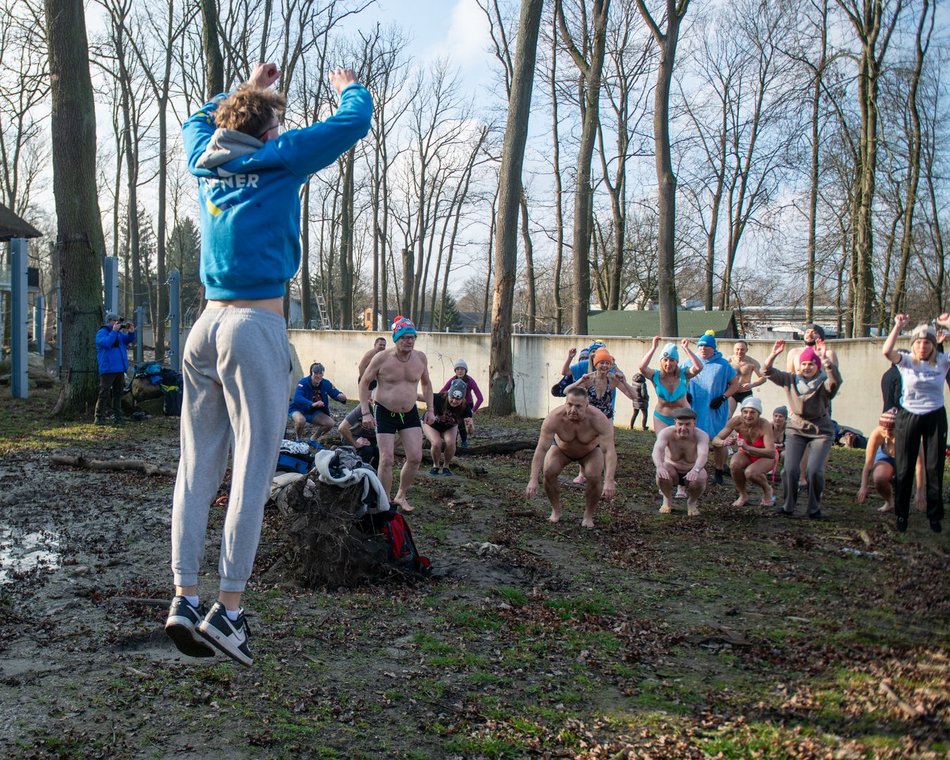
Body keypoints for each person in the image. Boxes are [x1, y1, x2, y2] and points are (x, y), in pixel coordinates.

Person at [165, 62, 372, 666]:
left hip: (204, 328)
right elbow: (353, 121)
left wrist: (247, 89)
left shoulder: (205, 158)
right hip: (254, 327)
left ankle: (184, 598)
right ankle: (228, 611)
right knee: (253, 473)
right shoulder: (280, 157)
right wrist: (348, 86)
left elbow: (196, 117)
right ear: (268, 130)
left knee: (195, 467)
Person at [358, 316, 435, 513]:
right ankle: (384, 501)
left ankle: (401, 495)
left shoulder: (420, 358)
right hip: (384, 411)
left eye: (412, 337)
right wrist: (365, 413)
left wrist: (431, 409)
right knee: (386, 459)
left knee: (415, 457)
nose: (409, 341)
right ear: (396, 338)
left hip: (409, 412)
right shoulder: (382, 358)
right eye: (404, 337)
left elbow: (426, 384)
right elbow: (364, 382)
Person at [882, 314, 950, 533]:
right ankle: (902, 514)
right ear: (913, 344)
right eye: (919, 342)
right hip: (908, 415)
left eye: (927, 343)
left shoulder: (942, 361)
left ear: (933, 345)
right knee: (904, 467)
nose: (922, 346)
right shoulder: (907, 360)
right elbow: (886, 351)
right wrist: (897, 326)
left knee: (934, 466)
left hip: (935, 416)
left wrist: (948, 324)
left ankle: (934, 515)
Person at [763, 339, 841, 519]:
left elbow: (835, 382)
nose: (807, 367)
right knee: (790, 469)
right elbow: (767, 371)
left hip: (821, 430)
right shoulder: (790, 379)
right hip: (796, 428)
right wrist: (773, 354)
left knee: (814, 471)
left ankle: (814, 508)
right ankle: (788, 505)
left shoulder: (823, 381)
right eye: (804, 364)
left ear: (817, 366)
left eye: (811, 364)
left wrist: (825, 360)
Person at [525, 387, 617, 529]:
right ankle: (555, 510)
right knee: (548, 471)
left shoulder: (598, 419)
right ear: (565, 403)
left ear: (587, 405)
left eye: (578, 406)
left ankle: (588, 515)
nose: (573, 410)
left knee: (594, 476)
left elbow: (609, 451)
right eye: (569, 404)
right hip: (562, 449)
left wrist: (609, 480)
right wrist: (533, 479)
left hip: (590, 450)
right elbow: (541, 449)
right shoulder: (554, 418)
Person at [683, 331, 740, 485]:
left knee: (718, 440)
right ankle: (693, 470)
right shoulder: (689, 361)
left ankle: (719, 471)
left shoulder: (723, 365)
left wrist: (723, 397)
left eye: (707, 346)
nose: (703, 348)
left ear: (713, 348)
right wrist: (685, 393)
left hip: (715, 408)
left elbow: (735, 384)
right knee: (693, 440)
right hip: (695, 407)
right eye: (700, 346)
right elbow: (680, 379)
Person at [856, 408, 926, 514]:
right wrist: (863, 486)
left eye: (891, 430)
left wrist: (920, 491)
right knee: (879, 478)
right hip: (886, 457)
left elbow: (919, 466)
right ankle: (889, 502)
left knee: (903, 482)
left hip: (905, 459)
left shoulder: (911, 436)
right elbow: (868, 464)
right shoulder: (877, 433)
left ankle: (903, 503)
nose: (887, 433)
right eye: (884, 429)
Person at [711, 397, 776, 507]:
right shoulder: (736, 421)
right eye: (745, 412)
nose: (748, 415)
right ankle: (743, 495)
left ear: (758, 414)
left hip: (764, 456)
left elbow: (771, 453)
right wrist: (724, 442)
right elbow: (715, 440)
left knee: (750, 473)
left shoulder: (764, 425)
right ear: (741, 412)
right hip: (746, 454)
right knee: (734, 464)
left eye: (752, 412)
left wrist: (748, 447)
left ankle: (767, 489)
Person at [652, 407, 709, 517]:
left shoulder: (701, 435)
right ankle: (667, 499)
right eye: (680, 424)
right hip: (672, 469)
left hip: (691, 470)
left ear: (694, 423)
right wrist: (659, 466)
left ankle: (692, 502)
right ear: (675, 423)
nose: (683, 428)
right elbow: (657, 450)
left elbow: (703, 455)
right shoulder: (666, 433)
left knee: (702, 475)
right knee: (662, 471)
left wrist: (696, 470)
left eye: (687, 424)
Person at [638, 336, 704, 431]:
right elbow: (642, 367)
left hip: (683, 419)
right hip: (662, 418)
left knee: (683, 441)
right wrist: (654, 348)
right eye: (665, 360)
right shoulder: (655, 375)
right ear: (661, 361)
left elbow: (699, 367)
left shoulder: (684, 374)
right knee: (663, 440)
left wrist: (686, 348)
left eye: (672, 360)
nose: (668, 363)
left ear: (676, 362)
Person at [565, 347, 636, 421]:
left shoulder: (613, 379)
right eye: (601, 363)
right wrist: (580, 380)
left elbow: (634, 396)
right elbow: (566, 391)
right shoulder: (589, 378)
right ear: (596, 365)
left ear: (610, 366)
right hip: (589, 418)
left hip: (606, 419)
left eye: (607, 363)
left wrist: (624, 382)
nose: (604, 366)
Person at [424, 379, 474, 475]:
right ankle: (436, 465)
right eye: (452, 398)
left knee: (451, 443)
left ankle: (446, 466)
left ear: (462, 399)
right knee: (436, 443)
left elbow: (470, 432)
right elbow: (420, 397)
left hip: (449, 426)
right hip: (431, 424)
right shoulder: (439, 397)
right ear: (448, 394)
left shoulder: (465, 408)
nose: (454, 401)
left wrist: (470, 426)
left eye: (458, 400)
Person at [94, 312, 136, 426]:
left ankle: (118, 417)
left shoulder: (118, 334)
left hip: (119, 368)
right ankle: (99, 417)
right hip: (108, 368)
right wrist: (114, 331)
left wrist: (131, 332)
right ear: (110, 321)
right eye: (116, 321)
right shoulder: (101, 333)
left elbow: (127, 339)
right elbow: (106, 343)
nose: (118, 324)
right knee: (104, 393)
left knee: (118, 394)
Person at [288, 363, 347, 440]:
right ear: (311, 373)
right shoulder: (303, 382)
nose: (318, 376)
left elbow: (335, 393)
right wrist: (312, 404)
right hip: (298, 409)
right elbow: (297, 398)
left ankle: (312, 439)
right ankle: (298, 439)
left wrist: (341, 397)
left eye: (320, 373)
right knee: (301, 420)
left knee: (330, 423)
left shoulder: (325, 383)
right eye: (316, 373)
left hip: (312, 411)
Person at [438, 358, 483, 448]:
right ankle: (452, 442)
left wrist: (473, 410)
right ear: (455, 371)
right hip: (454, 404)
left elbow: (480, 398)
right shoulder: (453, 380)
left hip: (467, 405)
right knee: (452, 422)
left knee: (463, 424)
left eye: (462, 369)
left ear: (465, 370)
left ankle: (464, 442)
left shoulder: (470, 380)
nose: (460, 371)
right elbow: (442, 392)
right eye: (457, 369)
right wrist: (442, 401)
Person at [338, 396, 378, 469]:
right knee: (367, 450)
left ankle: (373, 472)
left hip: (370, 436)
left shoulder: (389, 410)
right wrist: (355, 443)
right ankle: (358, 471)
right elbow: (342, 428)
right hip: (352, 435)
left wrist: (393, 446)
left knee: (381, 451)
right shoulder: (365, 407)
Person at [728, 340, 766, 415]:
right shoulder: (728, 361)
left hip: (746, 393)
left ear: (746, 350)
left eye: (742, 349)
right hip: (732, 392)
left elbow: (763, 378)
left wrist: (752, 385)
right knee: (727, 415)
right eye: (737, 349)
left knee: (748, 415)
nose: (739, 352)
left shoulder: (752, 362)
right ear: (734, 349)